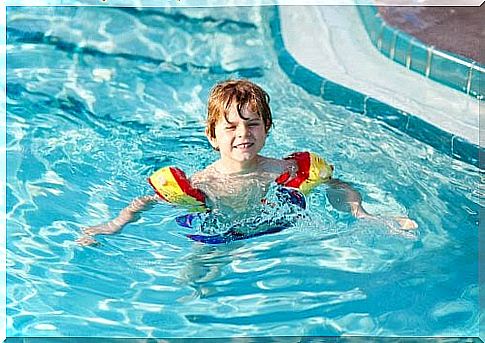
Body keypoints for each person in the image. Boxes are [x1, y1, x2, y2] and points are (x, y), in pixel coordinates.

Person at [76, 79, 417, 246]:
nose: (244, 133)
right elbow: (148, 200)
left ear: (267, 129)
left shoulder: (284, 170)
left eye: (253, 124)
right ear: (212, 136)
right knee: (196, 279)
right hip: (221, 235)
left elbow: (335, 184)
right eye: (231, 126)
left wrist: (361, 214)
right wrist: (114, 225)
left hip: (280, 230)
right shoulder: (202, 183)